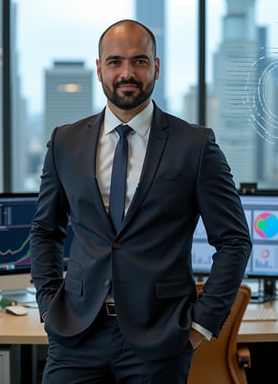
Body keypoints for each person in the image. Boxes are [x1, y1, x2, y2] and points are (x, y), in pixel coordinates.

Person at [30, 19, 252, 384]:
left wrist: (201, 325)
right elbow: (43, 231)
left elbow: (234, 240)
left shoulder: (195, 146)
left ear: (157, 67)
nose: (127, 72)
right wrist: (48, 306)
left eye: (139, 61)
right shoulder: (64, 142)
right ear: (99, 68)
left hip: (160, 339)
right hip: (76, 335)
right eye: (115, 62)